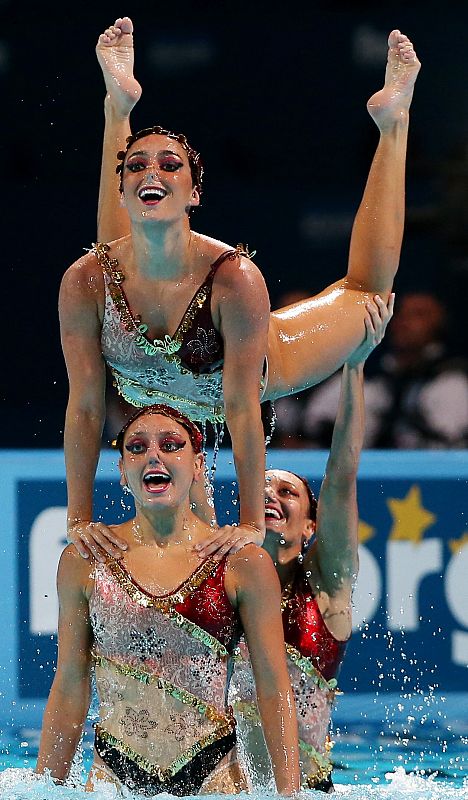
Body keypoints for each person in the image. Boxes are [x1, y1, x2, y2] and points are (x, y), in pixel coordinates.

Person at [63, 18, 420, 561]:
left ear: (194, 193)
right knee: (115, 259)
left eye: (168, 165)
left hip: (259, 366)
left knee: (367, 294)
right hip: (149, 380)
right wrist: (79, 518)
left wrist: (251, 522)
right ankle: (117, 106)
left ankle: (393, 122)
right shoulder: (85, 280)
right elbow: (86, 407)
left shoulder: (233, 277)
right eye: (135, 166)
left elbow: (242, 406)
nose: (149, 172)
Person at [36, 405, 300, 795]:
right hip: (113, 776)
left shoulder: (240, 562)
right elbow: (70, 685)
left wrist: (291, 794)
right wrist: (44, 788)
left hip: (214, 775)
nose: (154, 456)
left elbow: (274, 689)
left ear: (197, 466)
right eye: (137, 448)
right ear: (123, 472)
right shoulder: (86, 558)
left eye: (171, 445)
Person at [229, 294, 393, 792]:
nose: (272, 497)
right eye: (265, 489)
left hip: (306, 790)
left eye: (289, 492)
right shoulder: (223, 582)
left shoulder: (328, 591)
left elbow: (341, 474)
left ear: (310, 527)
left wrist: (354, 366)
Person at [303, 292, 468, 449]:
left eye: (418, 315)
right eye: (401, 314)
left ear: (439, 324)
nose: (405, 322)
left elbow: (450, 447)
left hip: (425, 473)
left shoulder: (451, 382)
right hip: (364, 471)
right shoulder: (368, 376)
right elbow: (310, 427)